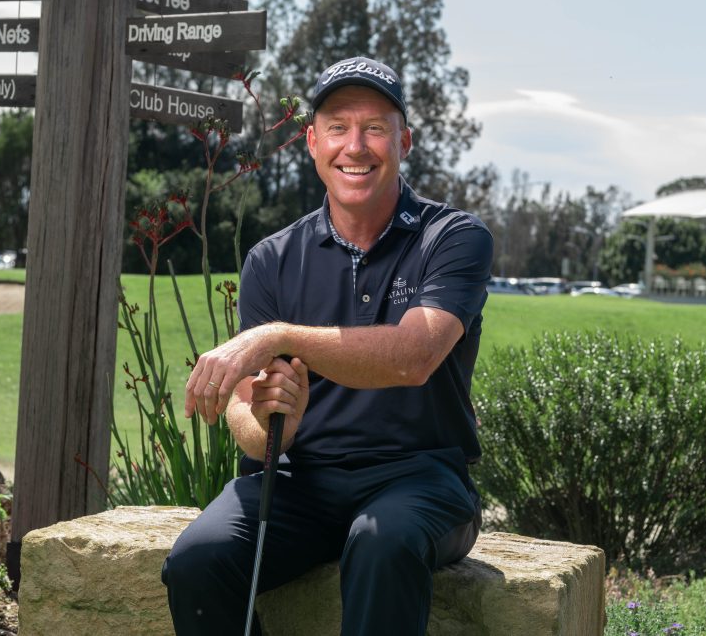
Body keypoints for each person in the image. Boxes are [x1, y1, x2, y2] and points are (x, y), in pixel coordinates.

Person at [162, 56, 493, 635]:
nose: (355, 146)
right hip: (298, 483)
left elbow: (414, 357)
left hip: (420, 479)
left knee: (380, 541)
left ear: (404, 140)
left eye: (375, 127)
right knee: (197, 560)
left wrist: (282, 337)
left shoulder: (455, 238)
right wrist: (272, 422)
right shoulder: (272, 258)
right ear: (313, 141)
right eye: (338, 127)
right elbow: (246, 409)